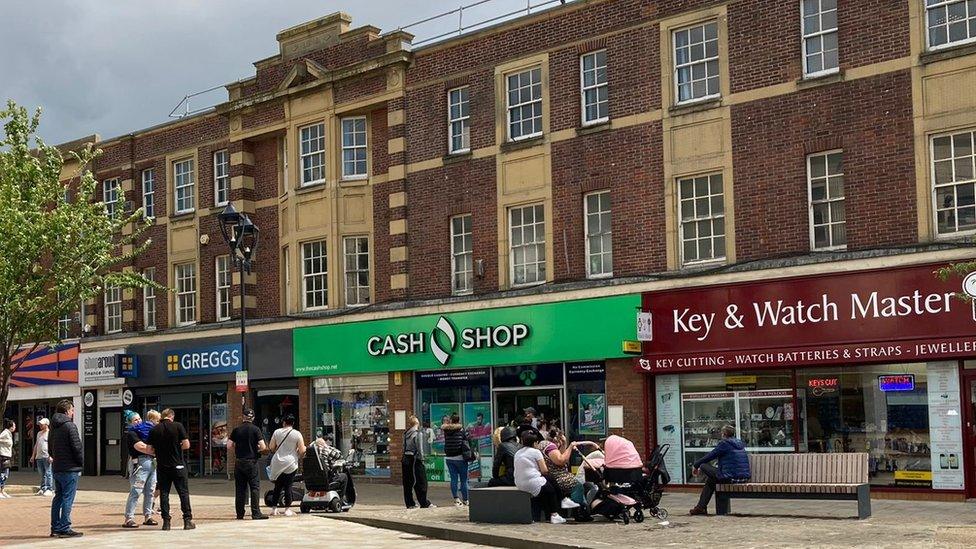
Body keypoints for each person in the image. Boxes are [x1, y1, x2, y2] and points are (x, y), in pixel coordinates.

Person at [147, 408, 195, 530]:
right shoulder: (178, 426)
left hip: (163, 466)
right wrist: (177, 447)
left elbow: (149, 450)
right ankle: (187, 520)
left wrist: (159, 451)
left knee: (164, 493)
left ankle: (166, 522)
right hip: (178, 465)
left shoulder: (154, 429)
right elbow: (187, 445)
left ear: (162, 417)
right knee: (183, 493)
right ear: (171, 416)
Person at [689, 425, 751, 516]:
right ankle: (700, 507)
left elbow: (710, 455)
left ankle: (701, 507)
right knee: (711, 480)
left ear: (724, 434)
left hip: (730, 477)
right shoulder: (739, 443)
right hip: (742, 477)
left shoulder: (725, 444)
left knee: (703, 466)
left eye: (721, 433)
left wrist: (696, 466)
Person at [513, 428, 565, 524]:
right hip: (532, 482)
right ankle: (555, 514)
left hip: (519, 483)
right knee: (551, 490)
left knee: (547, 484)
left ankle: (544, 515)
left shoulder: (518, 453)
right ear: (535, 443)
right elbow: (544, 470)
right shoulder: (535, 452)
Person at [49, 400, 83, 537]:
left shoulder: (54, 427)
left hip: (57, 467)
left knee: (58, 497)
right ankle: (65, 527)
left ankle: (55, 527)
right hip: (70, 468)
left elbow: (50, 446)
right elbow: (77, 447)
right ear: (67, 411)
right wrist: (81, 462)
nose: (73, 412)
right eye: (72, 410)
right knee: (68, 498)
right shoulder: (70, 426)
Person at [227, 408, 269, 521]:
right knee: (254, 487)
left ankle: (240, 514)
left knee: (240, 488)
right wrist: (257, 448)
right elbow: (263, 447)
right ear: (253, 418)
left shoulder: (236, 430)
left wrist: (238, 446)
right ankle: (256, 513)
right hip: (251, 462)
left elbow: (229, 445)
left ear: (243, 417)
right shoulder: (256, 430)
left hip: (239, 462)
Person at [541, 429, 590, 513]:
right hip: (556, 476)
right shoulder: (550, 446)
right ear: (556, 438)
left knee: (580, 484)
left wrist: (564, 444)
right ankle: (579, 511)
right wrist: (570, 446)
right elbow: (561, 460)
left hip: (553, 476)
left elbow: (560, 455)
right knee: (577, 485)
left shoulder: (545, 444)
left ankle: (582, 509)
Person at [122, 411, 157, 528]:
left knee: (150, 491)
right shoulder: (132, 433)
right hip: (139, 464)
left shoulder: (148, 431)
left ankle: (148, 516)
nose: (138, 421)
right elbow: (140, 447)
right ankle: (129, 518)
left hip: (152, 463)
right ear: (130, 423)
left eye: (139, 419)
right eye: (135, 420)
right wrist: (157, 449)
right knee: (136, 490)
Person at [268, 414, 306, 516]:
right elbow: (302, 450)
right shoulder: (297, 434)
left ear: (284, 422)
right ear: (293, 423)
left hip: (277, 463)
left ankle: (274, 508)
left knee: (277, 486)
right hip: (290, 463)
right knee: (288, 486)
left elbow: (271, 447)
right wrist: (296, 454)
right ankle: (287, 509)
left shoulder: (277, 432)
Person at [402, 415, 433, 508]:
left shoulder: (405, 434)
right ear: (417, 424)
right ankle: (424, 502)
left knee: (408, 482)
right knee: (421, 481)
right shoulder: (417, 433)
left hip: (406, 458)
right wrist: (422, 459)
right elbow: (420, 448)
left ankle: (410, 503)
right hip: (415, 459)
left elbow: (403, 447)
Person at [442, 414, 470, 506]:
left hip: (449, 458)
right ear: (459, 420)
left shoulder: (446, 431)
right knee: (464, 480)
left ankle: (456, 499)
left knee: (453, 479)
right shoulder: (462, 430)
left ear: (451, 421)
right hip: (460, 458)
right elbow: (467, 441)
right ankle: (466, 500)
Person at [30, 418, 53, 496]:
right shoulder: (39, 433)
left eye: (42, 424)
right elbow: (36, 445)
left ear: (46, 425)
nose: (40, 425)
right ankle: (43, 488)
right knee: (42, 473)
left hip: (46, 456)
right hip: (39, 456)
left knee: (48, 473)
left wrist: (51, 456)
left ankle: (49, 488)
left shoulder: (50, 433)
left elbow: (52, 446)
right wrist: (33, 455)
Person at [0, 419, 15, 499]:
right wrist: (4, 441)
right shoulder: (5, 433)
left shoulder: (9, 433)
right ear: (11, 426)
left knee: (5, 474)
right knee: (4, 474)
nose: (15, 427)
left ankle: (2, 490)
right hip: (3, 456)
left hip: (7, 455)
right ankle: (0, 490)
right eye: (14, 425)